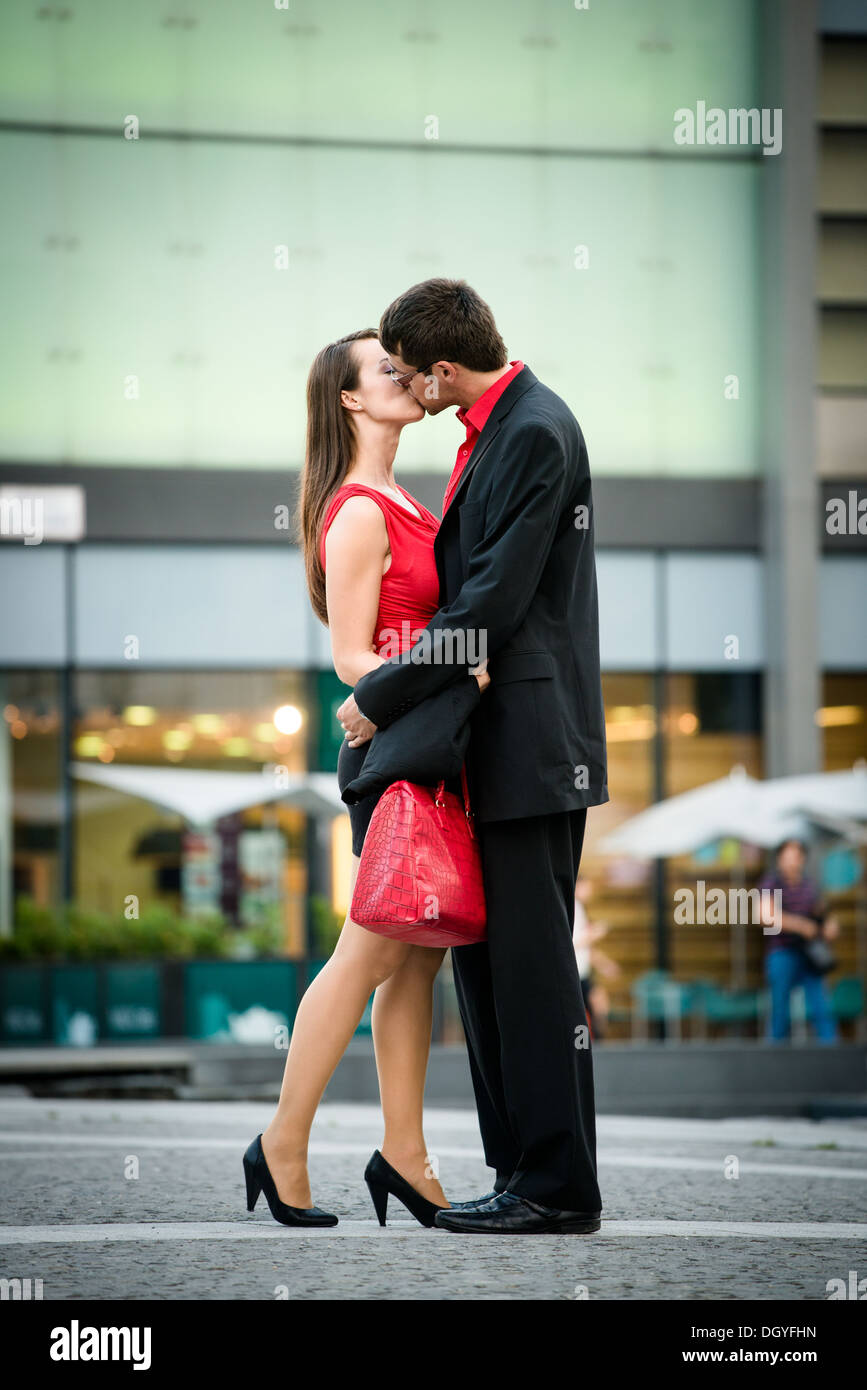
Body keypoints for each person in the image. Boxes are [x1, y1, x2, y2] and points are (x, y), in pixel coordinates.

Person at [338, 279, 609, 1234]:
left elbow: (489, 603)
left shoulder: (532, 429)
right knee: (489, 975)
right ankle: (521, 1176)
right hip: (495, 745)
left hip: (533, 746)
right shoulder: (495, 429)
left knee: (531, 974)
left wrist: (377, 695)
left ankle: (556, 1189)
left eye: (414, 374)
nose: (413, 388)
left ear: (445, 367)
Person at [243, 328, 490, 1228]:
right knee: (373, 950)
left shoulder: (405, 499)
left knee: (416, 962)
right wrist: (457, 657)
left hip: (425, 748)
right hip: (393, 755)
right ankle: (281, 1142)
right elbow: (352, 658)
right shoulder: (356, 511)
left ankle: (405, 1152)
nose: (408, 375)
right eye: (387, 368)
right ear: (349, 400)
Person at [758, 838, 839, 1044]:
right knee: (779, 1009)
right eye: (788, 856)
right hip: (782, 951)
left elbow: (822, 913)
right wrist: (801, 926)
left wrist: (828, 925)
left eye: (796, 856)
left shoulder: (809, 886)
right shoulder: (771, 883)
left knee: (821, 1006)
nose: (793, 861)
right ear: (779, 860)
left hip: (809, 954)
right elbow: (765, 917)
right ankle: (774, 1056)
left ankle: (832, 1054)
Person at [573, 876, 621, 1041]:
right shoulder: (573, 907)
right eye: (586, 887)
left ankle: (595, 1038)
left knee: (597, 1000)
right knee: (591, 1003)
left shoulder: (581, 908)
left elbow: (587, 948)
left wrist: (604, 964)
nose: (589, 892)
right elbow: (573, 942)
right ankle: (593, 1039)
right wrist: (594, 933)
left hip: (582, 969)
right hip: (575, 970)